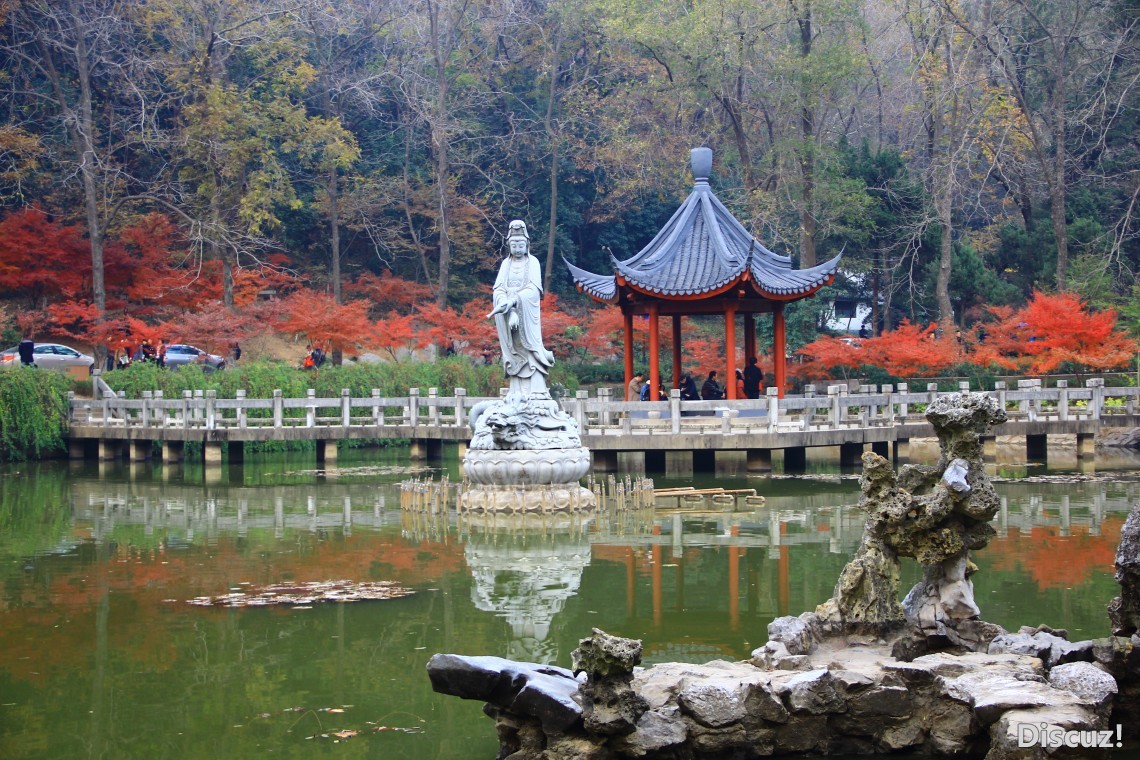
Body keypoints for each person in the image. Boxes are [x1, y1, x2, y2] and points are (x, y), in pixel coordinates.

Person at [488, 219, 555, 397]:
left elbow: (534, 290)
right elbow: (499, 289)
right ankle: (516, 391)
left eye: (521, 243)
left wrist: (514, 301)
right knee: (514, 350)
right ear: (509, 245)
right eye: (514, 244)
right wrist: (507, 308)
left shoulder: (532, 262)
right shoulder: (505, 264)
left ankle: (536, 389)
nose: (517, 247)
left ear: (527, 244)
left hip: (526, 315)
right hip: (510, 315)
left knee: (529, 350)